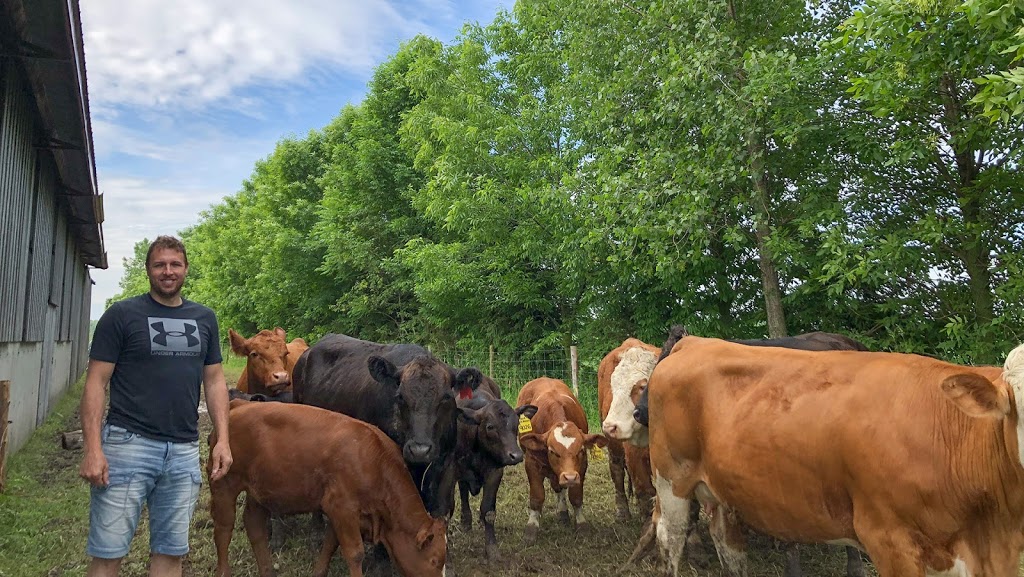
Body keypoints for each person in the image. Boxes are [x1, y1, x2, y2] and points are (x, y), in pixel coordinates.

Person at [78, 235, 232, 577]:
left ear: (186, 269)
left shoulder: (204, 318)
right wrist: (92, 448)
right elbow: (95, 384)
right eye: (159, 264)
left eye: (175, 264)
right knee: (108, 554)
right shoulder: (122, 315)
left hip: (183, 451)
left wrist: (222, 439)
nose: (167, 271)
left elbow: (215, 380)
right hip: (127, 447)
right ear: (148, 270)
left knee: (171, 553)